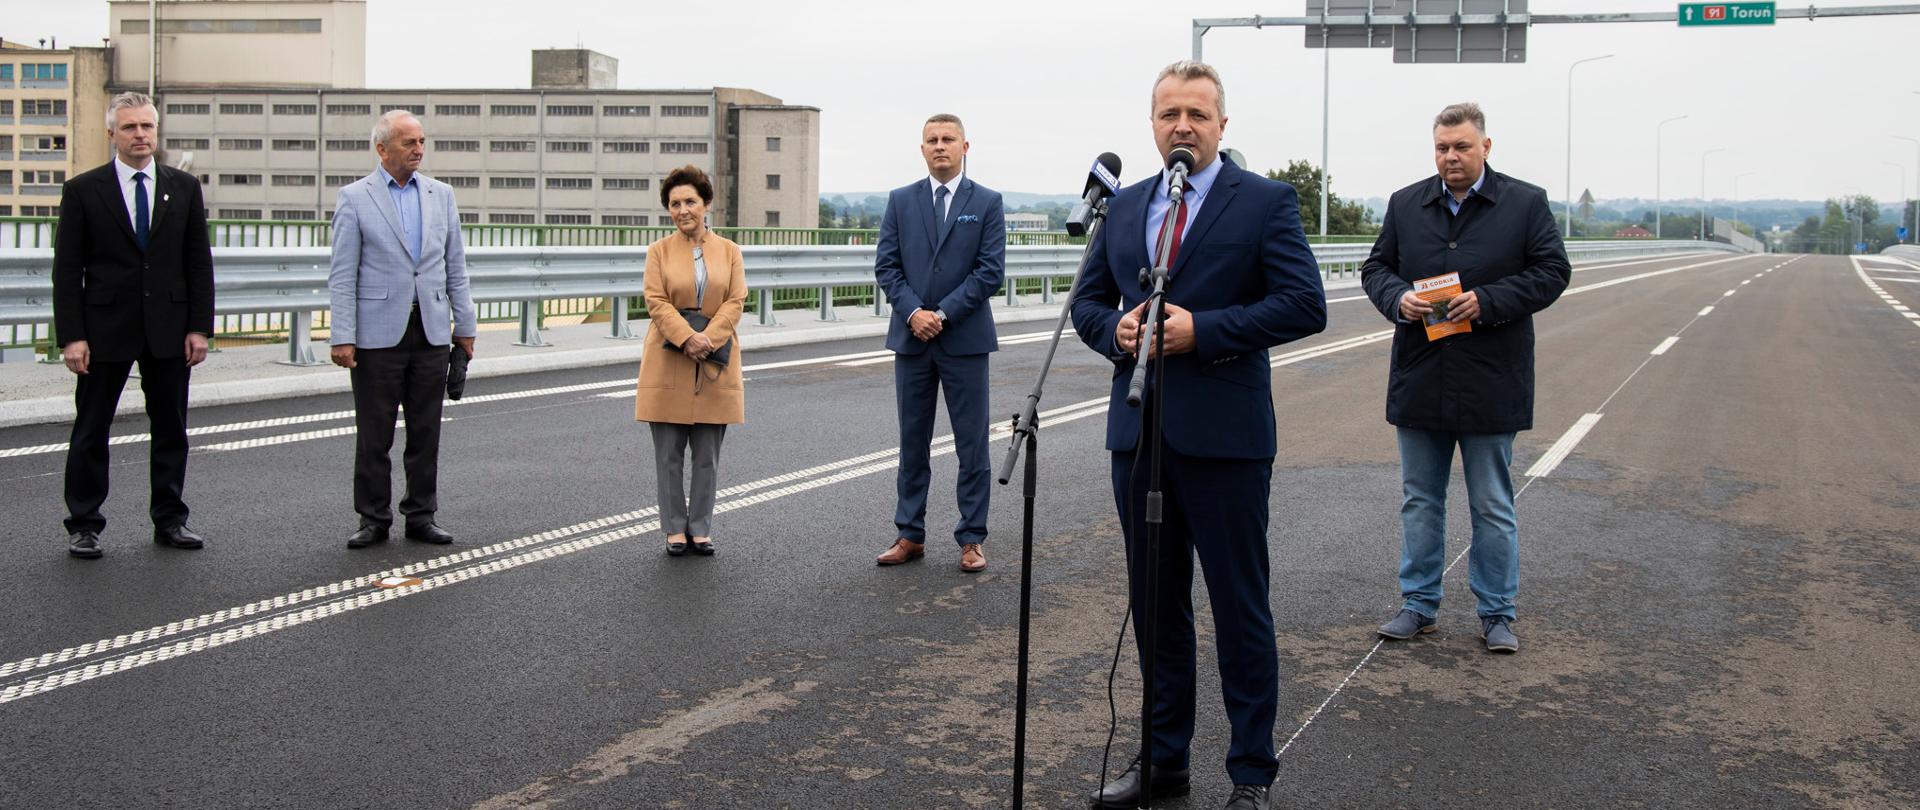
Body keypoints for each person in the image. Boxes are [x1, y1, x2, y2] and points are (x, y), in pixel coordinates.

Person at [1071, 61, 1327, 810]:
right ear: (1152, 123)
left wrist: (1204, 330)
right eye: (1168, 113)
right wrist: (1113, 331)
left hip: (1226, 438)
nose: (1182, 125)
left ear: (1222, 125)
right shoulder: (1124, 208)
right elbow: (1087, 303)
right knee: (1156, 609)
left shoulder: (1266, 202)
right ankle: (1163, 761)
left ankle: (1251, 773)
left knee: (1239, 607)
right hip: (1138, 433)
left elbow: (1303, 305)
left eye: (1197, 114)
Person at [1360, 102, 1571, 654]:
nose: (1450, 157)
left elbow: (1553, 272)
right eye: (1441, 148)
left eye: (1461, 147)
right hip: (1421, 375)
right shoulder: (1407, 204)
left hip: (1491, 378)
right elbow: (1376, 267)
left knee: (1492, 504)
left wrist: (1489, 301)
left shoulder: (1525, 203)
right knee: (1420, 500)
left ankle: (1497, 613)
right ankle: (1419, 605)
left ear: (1486, 147)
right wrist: (1395, 297)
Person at [52, 91, 215, 559]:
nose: (139, 135)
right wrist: (73, 336)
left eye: (146, 126)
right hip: (104, 329)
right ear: (112, 134)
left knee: (171, 429)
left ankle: (170, 520)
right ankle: (84, 524)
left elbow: (197, 263)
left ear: (156, 131)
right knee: (91, 429)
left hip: (169, 326)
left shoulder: (183, 188)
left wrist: (199, 327)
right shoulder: (84, 190)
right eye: (129, 127)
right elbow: (68, 269)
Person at [328, 110, 476, 549]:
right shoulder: (355, 198)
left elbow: (455, 265)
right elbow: (342, 273)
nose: (418, 149)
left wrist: (464, 327)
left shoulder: (440, 195)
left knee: (425, 431)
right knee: (374, 434)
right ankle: (373, 518)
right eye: (409, 142)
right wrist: (342, 334)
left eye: (421, 141)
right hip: (377, 335)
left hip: (430, 330)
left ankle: (421, 515)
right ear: (382, 148)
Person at [872, 113, 1005, 573]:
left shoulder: (986, 202)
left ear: (966, 147)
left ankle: (972, 538)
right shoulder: (900, 201)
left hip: (964, 339)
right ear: (922, 148)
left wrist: (942, 314)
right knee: (913, 442)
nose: (940, 146)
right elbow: (887, 267)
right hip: (912, 340)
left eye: (949, 139)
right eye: (932, 140)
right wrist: (914, 313)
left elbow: (989, 272)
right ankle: (910, 534)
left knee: (972, 444)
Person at [633, 165, 746, 556]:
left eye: (690, 202)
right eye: (674, 204)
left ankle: (700, 527)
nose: (683, 210)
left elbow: (735, 300)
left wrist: (708, 339)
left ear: (706, 204)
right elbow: (655, 301)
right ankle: (673, 529)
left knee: (707, 454)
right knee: (668, 453)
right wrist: (686, 338)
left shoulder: (730, 251)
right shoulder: (657, 252)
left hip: (715, 358)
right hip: (669, 355)